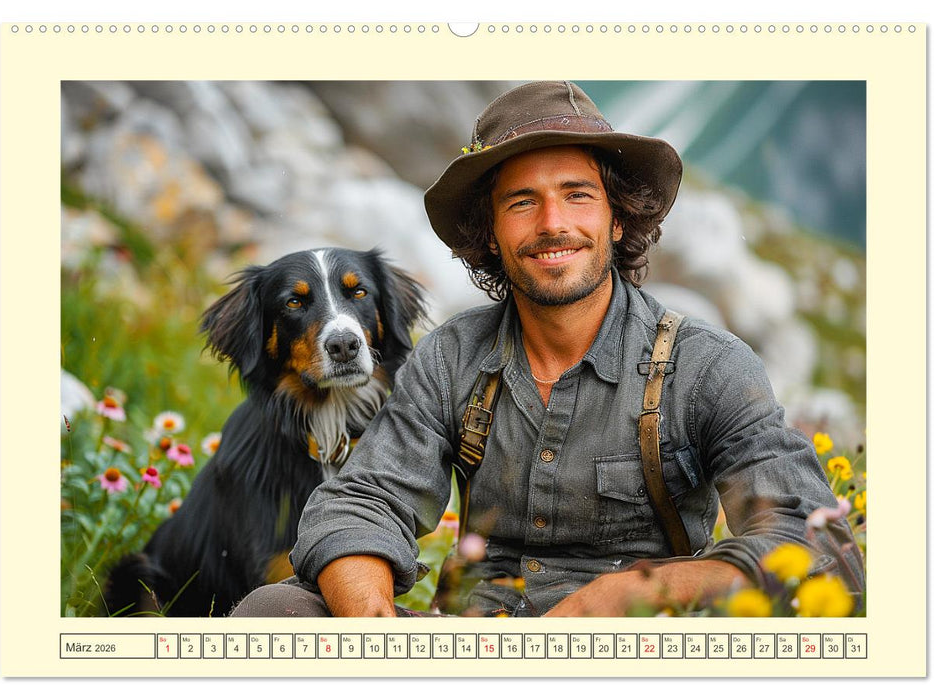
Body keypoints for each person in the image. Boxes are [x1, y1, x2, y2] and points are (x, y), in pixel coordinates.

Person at [231, 81, 864, 618]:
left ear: (617, 220)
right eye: (521, 201)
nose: (552, 223)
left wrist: (619, 596)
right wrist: (376, 630)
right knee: (273, 612)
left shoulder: (707, 367)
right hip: (473, 644)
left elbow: (817, 543)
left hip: (638, 649)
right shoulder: (451, 357)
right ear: (491, 234)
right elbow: (365, 500)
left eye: (577, 194)